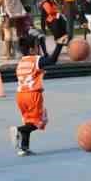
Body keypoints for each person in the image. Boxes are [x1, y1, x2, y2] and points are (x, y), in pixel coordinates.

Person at [13, 26, 65, 156]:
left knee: (29, 121)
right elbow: (52, 60)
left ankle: (24, 147)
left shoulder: (21, 62)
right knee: (41, 121)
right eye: (37, 46)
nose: (39, 49)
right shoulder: (35, 60)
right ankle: (19, 130)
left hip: (20, 96)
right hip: (33, 95)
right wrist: (59, 45)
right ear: (31, 49)